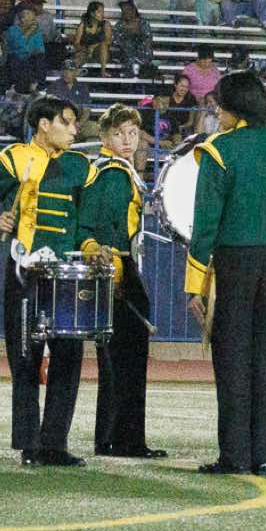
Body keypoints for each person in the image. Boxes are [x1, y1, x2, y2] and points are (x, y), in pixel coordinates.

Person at [184, 71, 266, 475]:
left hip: (235, 264)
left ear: (233, 107)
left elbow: (206, 223)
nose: (216, 113)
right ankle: (264, 453)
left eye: (219, 106)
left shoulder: (219, 149)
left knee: (233, 359)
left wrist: (195, 285)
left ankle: (235, 455)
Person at [0, 95, 93, 466]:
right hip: (25, 272)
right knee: (24, 356)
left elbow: (86, 218)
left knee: (68, 356)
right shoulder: (14, 158)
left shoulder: (81, 166)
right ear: (44, 125)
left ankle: (55, 444)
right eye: (67, 122)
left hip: (66, 274)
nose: (74, 130)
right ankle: (29, 445)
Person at [80, 105, 163, 460]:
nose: (127, 140)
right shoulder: (112, 173)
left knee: (117, 358)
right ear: (103, 136)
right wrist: (114, 270)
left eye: (132, 133)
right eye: (118, 134)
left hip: (116, 264)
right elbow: (102, 226)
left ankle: (114, 437)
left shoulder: (114, 169)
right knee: (126, 357)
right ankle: (124, 439)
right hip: (116, 265)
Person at [4, 6, 49, 92]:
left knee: (40, 58)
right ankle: (25, 86)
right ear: (22, 19)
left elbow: (40, 49)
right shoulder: (12, 30)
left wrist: (30, 52)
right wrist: (28, 33)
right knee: (20, 61)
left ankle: (38, 86)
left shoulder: (37, 31)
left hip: (30, 58)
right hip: (16, 57)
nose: (33, 21)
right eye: (29, 18)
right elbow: (18, 46)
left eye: (33, 19)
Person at [111, 0, 155, 75]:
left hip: (142, 53)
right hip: (125, 53)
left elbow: (148, 39)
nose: (126, 13)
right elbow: (115, 40)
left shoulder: (143, 23)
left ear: (134, 10)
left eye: (128, 10)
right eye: (123, 11)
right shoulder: (120, 25)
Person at [155, 73, 198, 147]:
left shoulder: (191, 99)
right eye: (181, 86)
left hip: (183, 128)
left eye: (186, 87)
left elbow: (190, 122)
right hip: (166, 127)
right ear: (175, 85)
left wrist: (180, 128)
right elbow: (161, 113)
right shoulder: (167, 95)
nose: (184, 89)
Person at [72, 0, 111, 72]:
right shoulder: (83, 24)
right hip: (85, 51)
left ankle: (103, 72)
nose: (102, 14)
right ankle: (74, 73)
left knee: (103, 45)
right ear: (92, 13)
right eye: (99, 12)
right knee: (78, 56)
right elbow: (76, 43)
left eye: (103, 12)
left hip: (100, 52)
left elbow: (108, 42)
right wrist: (83, 49)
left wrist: (93, 47)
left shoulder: (106, 25)